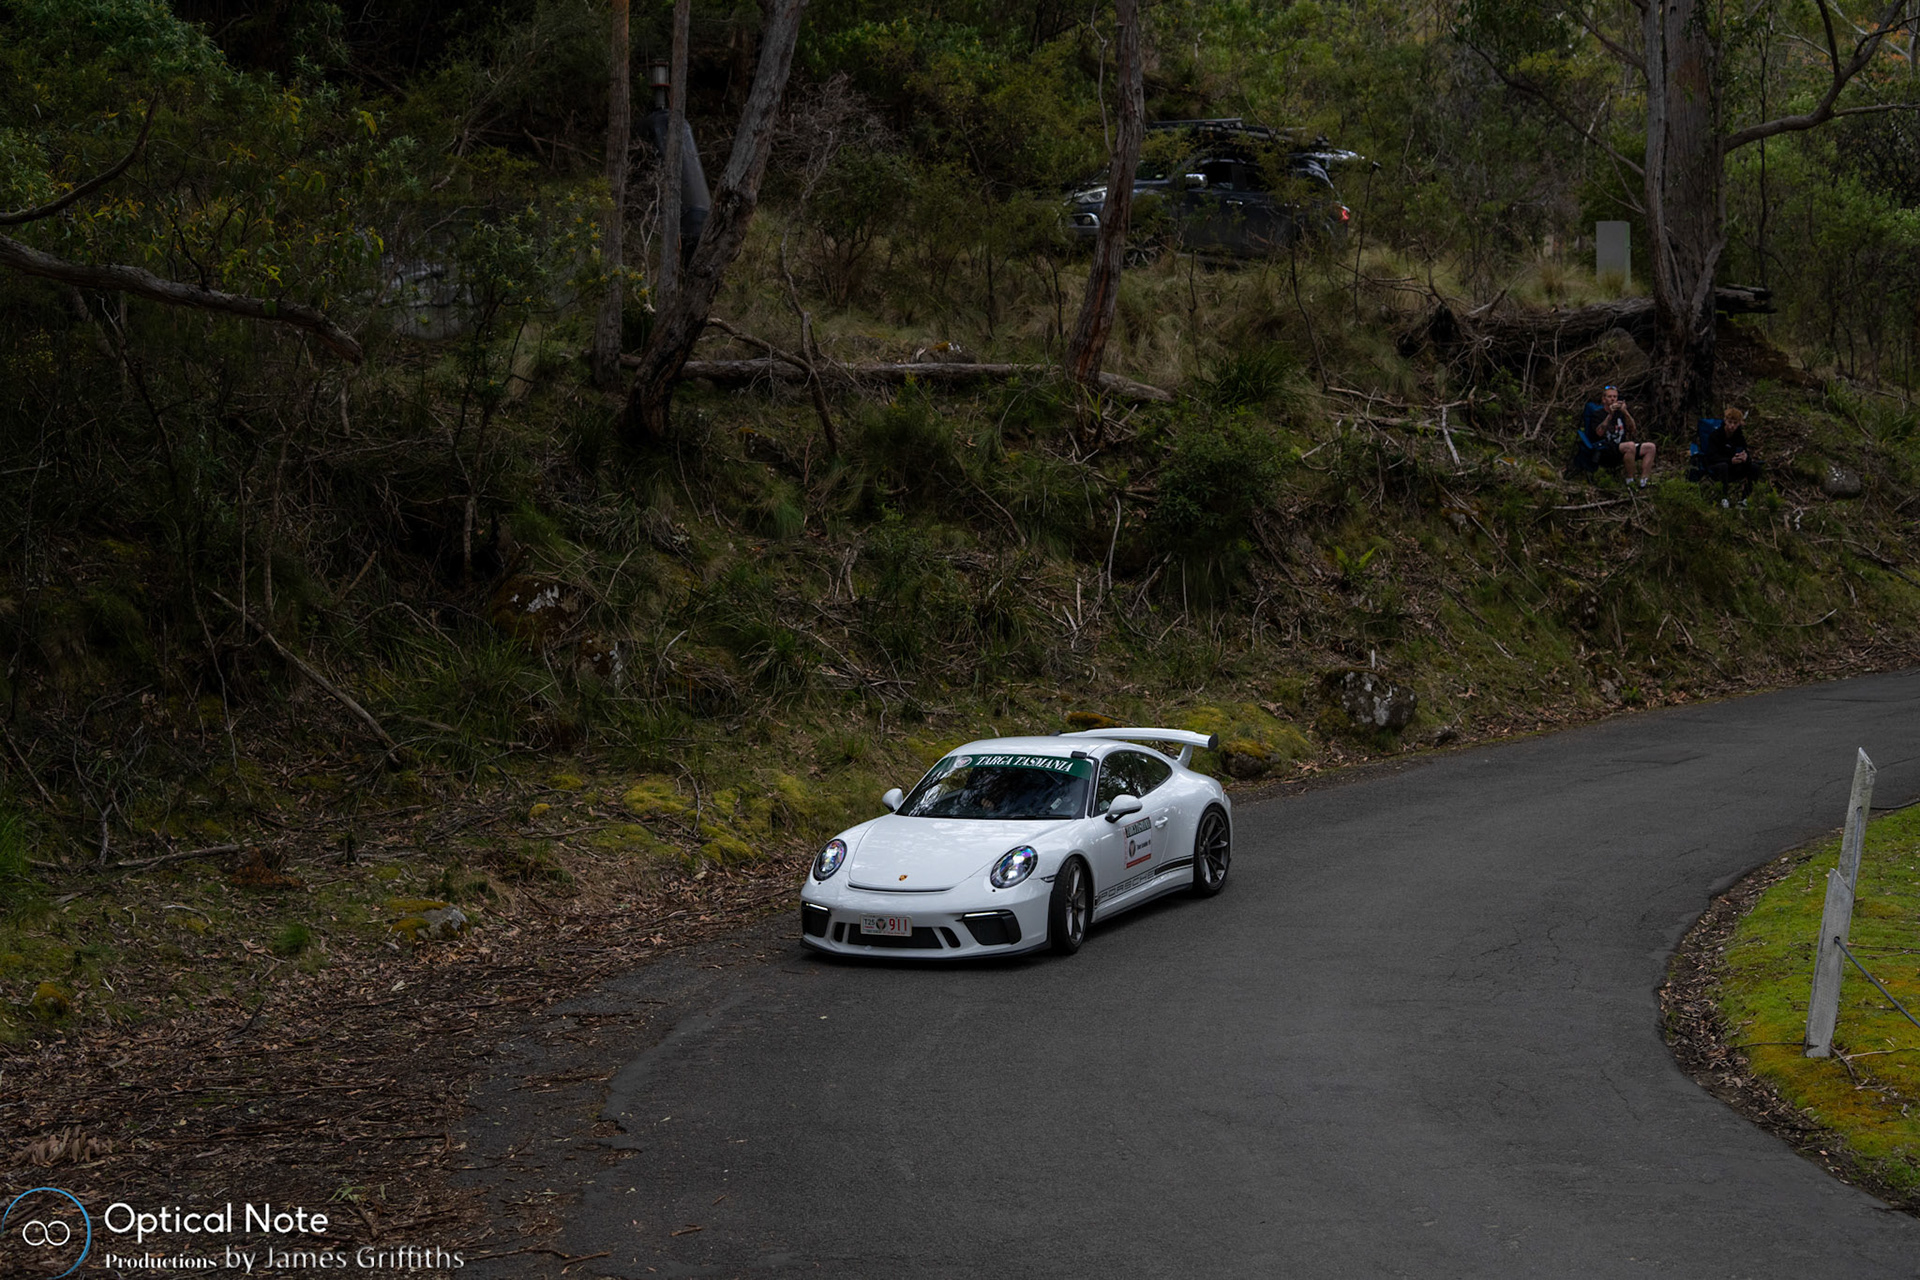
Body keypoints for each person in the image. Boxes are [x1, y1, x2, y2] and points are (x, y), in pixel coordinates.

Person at [1584, 385, 1656, 487]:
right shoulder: (1598, 414)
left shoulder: (1620, 414)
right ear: (1604, 399)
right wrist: (1610, 415)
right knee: (1630, 446)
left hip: (1621, 446)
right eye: (1610, 397)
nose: (1613, 399)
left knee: (1650, 447)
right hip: (1605, 449)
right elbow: (1599, 433)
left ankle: (1643, 482)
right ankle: (1630, 481)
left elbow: (1633, 430)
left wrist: (1625, 412)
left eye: (1615, 397)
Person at [1705, 407, 1761, 506]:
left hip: (1734, 468)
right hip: (1718, 468)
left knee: (1754, 467)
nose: (1732, 426)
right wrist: (1730, 460)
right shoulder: (1716, 435)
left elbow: (1745, 451)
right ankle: (1724, 498)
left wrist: (1745, 458)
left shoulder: (1739, 437)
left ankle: (1744, 499)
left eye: (1735, 423)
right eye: (1730, 422)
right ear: (1725, 421)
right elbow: (1711, 457)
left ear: (1739, 424)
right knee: (1723, 466)